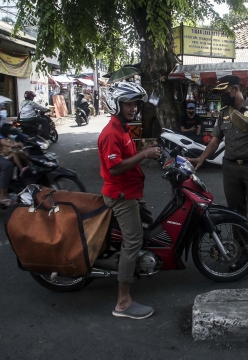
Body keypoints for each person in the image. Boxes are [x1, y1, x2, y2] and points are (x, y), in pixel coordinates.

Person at [188, 75, 248, 281]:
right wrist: (201, 159)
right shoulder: (223, 114)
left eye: (224, 93)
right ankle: (244, 256)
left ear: (235, 89)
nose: (222, 97)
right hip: (230, 169)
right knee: (236, 216)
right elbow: (214, 142)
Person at [98, 81, 161, 319]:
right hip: (121, 195)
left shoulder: (124, 129)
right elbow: (114, 169)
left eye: (135, 104)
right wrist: (144, 154)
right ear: (116, 104)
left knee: (150, 225)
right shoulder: (111, 133)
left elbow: (129, 159)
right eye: (128, 104)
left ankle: (139, 266)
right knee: (133, 241)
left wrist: (151, 155)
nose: (133, 109)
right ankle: (123, 302)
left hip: (132, 192)